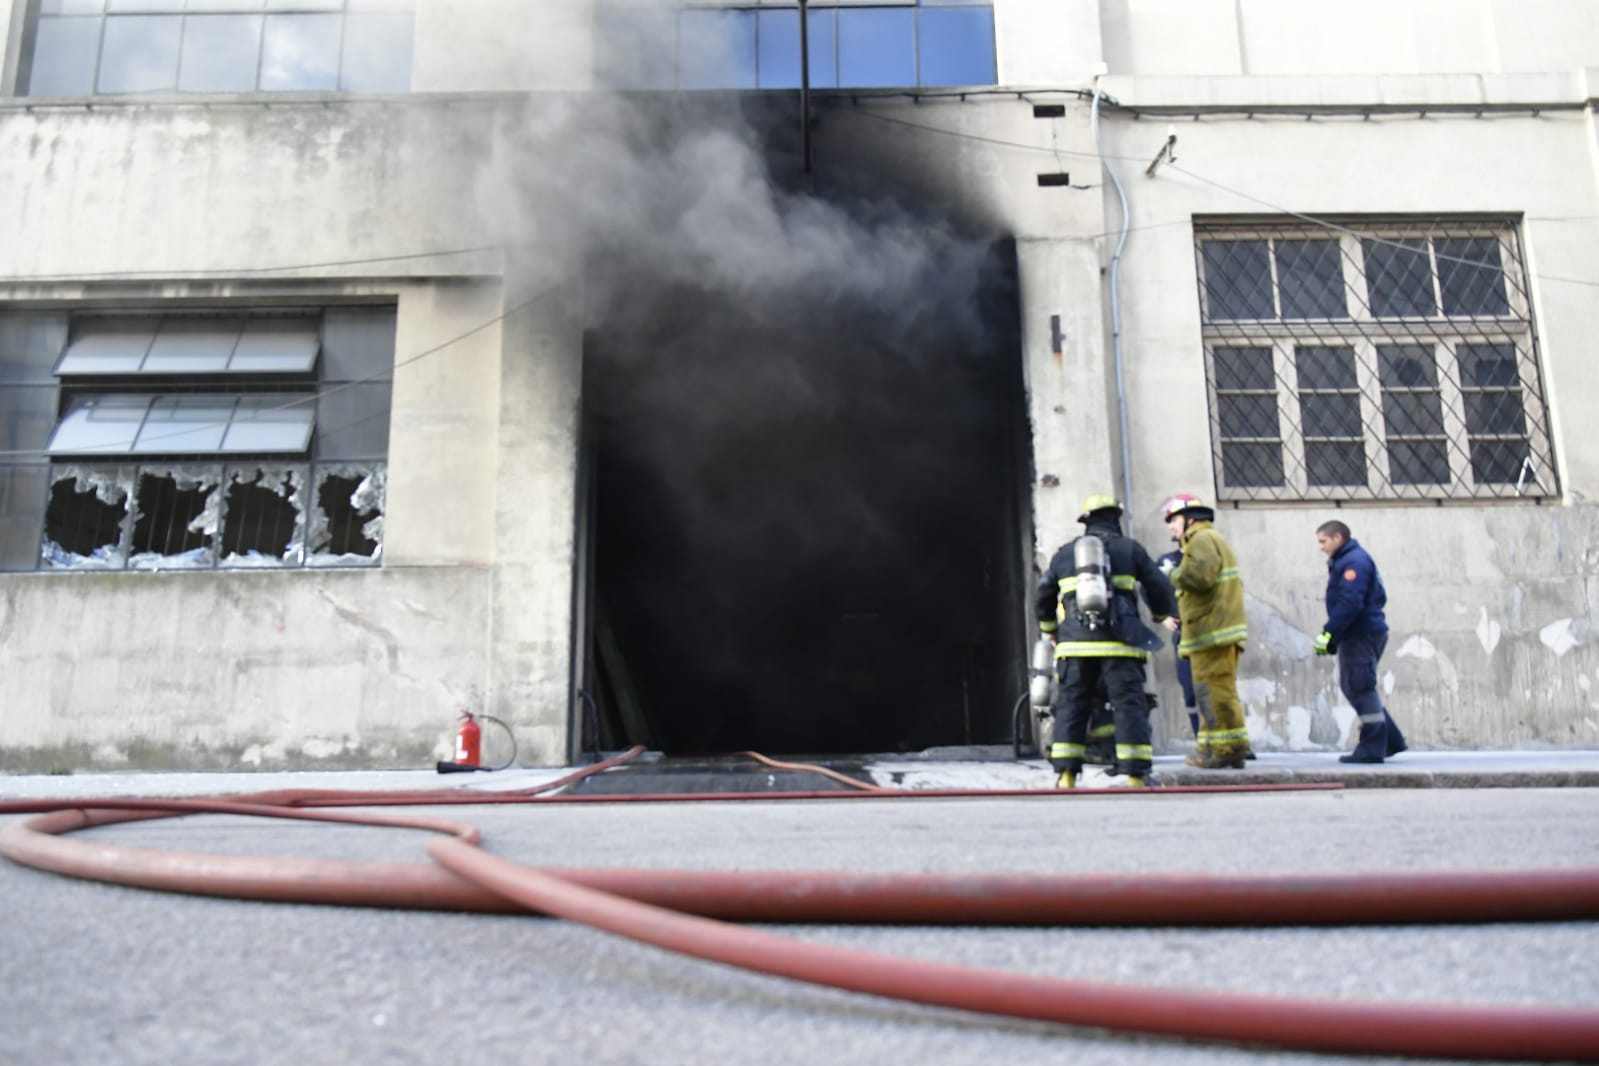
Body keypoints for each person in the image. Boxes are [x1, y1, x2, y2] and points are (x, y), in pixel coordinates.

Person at [1035, 494, 1178, 788]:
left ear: (1086, 522)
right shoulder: (1130, 550)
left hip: (1074, 646)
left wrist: (1050, 630)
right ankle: (1137, 776)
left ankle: (1066, 776)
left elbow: (1043, 595)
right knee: (1129, 705)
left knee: (1072, 705)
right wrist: (1161, 613)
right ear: (1115, 518)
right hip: (1121, 644)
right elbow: (1159, 585)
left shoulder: (1065, 554)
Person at [1161, 494, 1251, 769]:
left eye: (1174, 520)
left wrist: (1173, 573)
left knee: (1213, 693)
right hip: (1212, 632)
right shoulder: (1206, 540)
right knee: (1215, 693)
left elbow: (1199, 579)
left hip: (1212, 633)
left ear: (1190, 519)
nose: (1171, 528)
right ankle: (1228, 748)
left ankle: (1223, 750)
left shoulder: (1201, 541)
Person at [1314, 520, 1408, 764]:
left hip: (1361, 634)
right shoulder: (1347, 560)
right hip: (1357, 633)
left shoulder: (1353, 562)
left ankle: (1372, 747)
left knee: (1360, 687)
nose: (1321, 547)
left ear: (1338, 538)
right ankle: (1390, 740)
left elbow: (1350, 603)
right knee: (1354, 685)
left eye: (1323, 541)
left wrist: (1329, 633)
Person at [1156, 544, 1200, 740]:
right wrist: (1162, 616)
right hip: (1183, 634)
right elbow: (1150, 587)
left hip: (1208, 632)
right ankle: (1201, 737)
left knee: (1217, 688)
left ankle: (1229, 740)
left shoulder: (1207, 555)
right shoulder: (1169, 560)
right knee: (1189, 689)